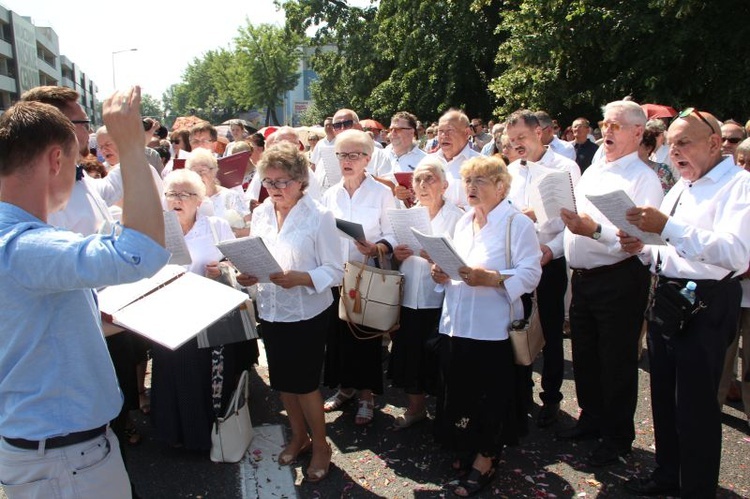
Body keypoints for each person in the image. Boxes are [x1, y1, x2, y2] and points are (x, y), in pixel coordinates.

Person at [0, 88, 169, 498]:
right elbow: (141, 253)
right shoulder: (23, 245)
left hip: (47, 447)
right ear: (57, 159)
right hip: (63, 456)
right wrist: (131, 146)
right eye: (76, 159)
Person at [620, 109, 750, 497]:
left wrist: (666, 226)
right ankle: (667, 475)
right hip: (670, 296)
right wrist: (643, 247)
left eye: (684, 143)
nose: (674, 151)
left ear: (714, 144)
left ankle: (696, 488)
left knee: (695, 406)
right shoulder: (682, 185)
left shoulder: (739, 185)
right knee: (663, 396)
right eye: (672, 143)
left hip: (707, 302)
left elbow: (737, 253)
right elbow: (669, 249)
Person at [430, 155, 542, 497]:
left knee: (492, 397)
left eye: (480, 180)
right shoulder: (464, 221)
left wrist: (493, 279)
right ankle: (470, 444)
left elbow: (532, 272)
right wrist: (442, 274)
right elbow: (456, 269)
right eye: (468, 181)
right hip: (457, 323)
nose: (471, 187)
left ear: (501, 186)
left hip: (493, 328)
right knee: (462, 392)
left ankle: (487, 458)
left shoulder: (515, 223)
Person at [559, 100, 663, 467]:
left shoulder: (643, 178)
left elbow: (637, 241)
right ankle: (591, 418)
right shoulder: (597, 167)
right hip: (586, 277)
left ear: (638, 132)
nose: (607, 131)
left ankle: (617, 437)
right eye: (605, 124)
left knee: (616, 360)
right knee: (585, 353)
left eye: (616, 126)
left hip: (619, 277)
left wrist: (594, 230)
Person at [235, 143, 343, 483]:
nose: (275, 189)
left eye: (282, 182)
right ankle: (299, 437)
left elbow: (336, 270)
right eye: (269, 182)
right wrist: (246, 275)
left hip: (306, 312)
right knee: (283, 382)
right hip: (270, 307)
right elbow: (255, 253)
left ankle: (322, 446)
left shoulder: (320, 215)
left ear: (300, 181)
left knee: (305, 383)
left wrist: (304, 278)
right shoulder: (263, 211)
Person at [150, 168, 252, 452]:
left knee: (207, 374)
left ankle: (209, 434)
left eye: (186, 194)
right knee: (172, 371)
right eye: (172, 193)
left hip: (210, 314)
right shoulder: (156, 227)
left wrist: (221, 268)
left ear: (199, 199)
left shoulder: (216, 225)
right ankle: (175, 433)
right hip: (169, 314)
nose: (177, 199)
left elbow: (235, 263)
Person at [504, 109, 581, 428]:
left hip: (550, 257)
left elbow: (575, 220)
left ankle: (551, 397)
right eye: (511, 141)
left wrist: (552, 249)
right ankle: (522, 390)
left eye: (521, 137)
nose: (517, 145)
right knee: (518, 325)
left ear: (540, 133)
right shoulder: (510, 171)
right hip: (518, 262)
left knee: (549, 330)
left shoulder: (565, 168)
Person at [321, 129, 397, 426]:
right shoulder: (330, 193)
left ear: (368, 158)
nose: (347, 161)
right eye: (342, 155)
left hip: (366, 275)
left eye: (355, 155)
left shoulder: (382, 192)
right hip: (337, 276)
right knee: (337, 338)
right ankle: (345, 389)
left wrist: (376, 247)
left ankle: (367, 395)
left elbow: (392, 233)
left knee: (365, 338)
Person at [388, 158, 463, 428]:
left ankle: (445, 414)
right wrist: (397, 254)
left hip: (442, 300)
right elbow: (396, 254)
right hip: (409, 297)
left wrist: (438, 260)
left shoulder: (458, 217)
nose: (422, 184)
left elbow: (464, 261)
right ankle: (416, 407)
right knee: (410, 355)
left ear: (444, 185)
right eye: (418, 179)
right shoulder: (407, 215)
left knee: (441, 359)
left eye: (429, 178)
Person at [186, 149, 251, 236]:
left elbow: (251, 229)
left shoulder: (230, 196)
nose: (199, 176)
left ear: (214, 171)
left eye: (202, 171)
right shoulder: (188, 200)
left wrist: (232, 233)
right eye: (194, 172)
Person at [426, 109, 482, 208]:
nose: (444, 136)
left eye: (450, 130)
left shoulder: (482, 164)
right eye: (440, 131)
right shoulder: (428, 162)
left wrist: (459, 212)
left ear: (466, 132)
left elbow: (491, 205)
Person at [639, 120, 677, 194]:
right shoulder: (649, 155)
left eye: (654, 135)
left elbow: (678, 178)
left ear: (662, 135)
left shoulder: (671, 154)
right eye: (648, 136)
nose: (651, 138)